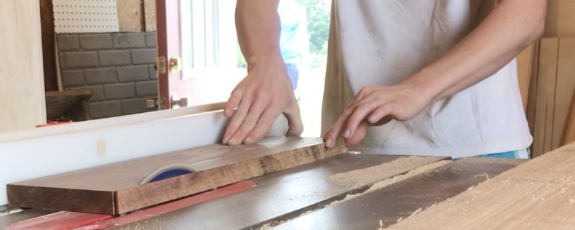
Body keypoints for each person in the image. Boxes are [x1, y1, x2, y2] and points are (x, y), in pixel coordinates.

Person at [222, 0, 545, 160]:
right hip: (353, 146)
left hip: (474, 145)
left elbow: (526, 15)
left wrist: (417, 88)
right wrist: (264, 59)